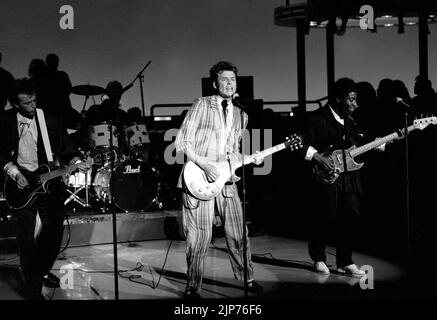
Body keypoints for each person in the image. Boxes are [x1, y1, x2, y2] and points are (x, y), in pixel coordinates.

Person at [175, 61, 264, 298]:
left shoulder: (240, 114)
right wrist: (204, 165)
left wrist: (250, 158)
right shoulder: (202, 105)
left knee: (238, 234)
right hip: (199, 179)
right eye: (224, 80)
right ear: (215, 83)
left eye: (233, 80)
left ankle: (248, 278)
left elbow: (232, 153)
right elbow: (182, 143)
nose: (229, 83)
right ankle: (193, 286)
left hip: (226, 182)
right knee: (199, 236)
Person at [0, 79, 88, 299]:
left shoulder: (47, 120)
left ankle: (38, 272)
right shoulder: (4, 121)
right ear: (15, 104)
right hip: (19, 185)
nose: (32, 106)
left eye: (34, 100)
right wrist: (15, 173)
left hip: (48, 183)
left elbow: (67, 148)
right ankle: (32, 286)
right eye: (27, 103)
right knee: (26, 238)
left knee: (54, 233)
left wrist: (77, 160)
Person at [299, 78, 387, 277]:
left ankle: (345, 261)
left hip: (349, 177)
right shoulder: (316, 118)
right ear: (338, 99)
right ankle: (318, 258)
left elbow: (360, 143)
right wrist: (317, 156)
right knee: (325, 216)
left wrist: (378, 144)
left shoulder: (352, 121)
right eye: (351, 99)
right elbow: (299, 141)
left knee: (351, 217)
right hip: (326, 177)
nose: (355, 104)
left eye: (356, 100)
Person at [83, 80, 129, 153]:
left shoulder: (122, 114)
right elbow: (84, 129)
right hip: (95, 150)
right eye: (113, 92)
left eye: (117, 92)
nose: (116, 95)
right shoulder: (94, 109)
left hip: (118, 151)